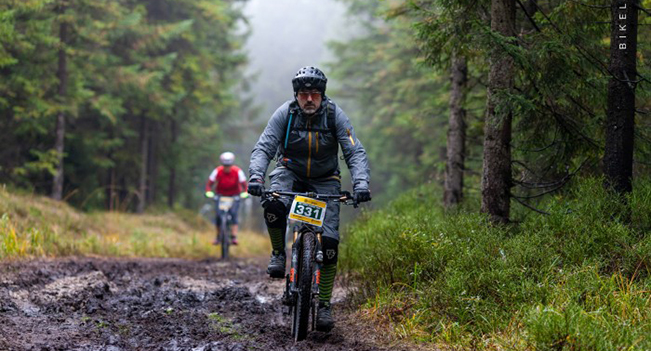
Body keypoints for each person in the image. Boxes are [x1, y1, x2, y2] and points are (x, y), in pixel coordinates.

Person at [247, 66, 371, 332]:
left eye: (315, 93)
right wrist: (256, 177)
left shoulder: (334, 115)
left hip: (326, 180)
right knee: (273, 204)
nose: (309, 99)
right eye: (304, 94)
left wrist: (361, 183)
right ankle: (279, 253)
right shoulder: (285, 113)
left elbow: (354, 151)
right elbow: (265, 146)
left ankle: (324, 304)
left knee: (328, 244)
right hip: (289, 172)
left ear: (322, 95)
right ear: (297, 95)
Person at [205, 151, 249, 245]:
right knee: (218, 216)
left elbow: (245, 185)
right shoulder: (217, 171)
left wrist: (245, 193)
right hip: (220, 195)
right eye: (225, 165)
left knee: (234, 215)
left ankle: (233, 236)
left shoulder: (238, 171)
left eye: (228, 165)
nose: (227, 168)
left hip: (234, 195)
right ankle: (218, 237)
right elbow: (209, 184)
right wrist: (209, 192)